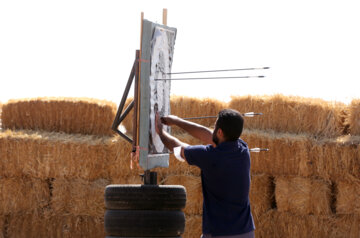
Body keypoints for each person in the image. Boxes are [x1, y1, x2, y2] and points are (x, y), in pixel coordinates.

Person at [155, 109, 255, 238]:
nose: (212, 130)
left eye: (215, 127)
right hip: (246, 231)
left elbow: (178, 148)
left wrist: (161, 133)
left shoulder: (211, 156)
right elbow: (208, 135)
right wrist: (177, 121)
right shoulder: (243, 149)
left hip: (220, 233)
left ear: (219, 132)